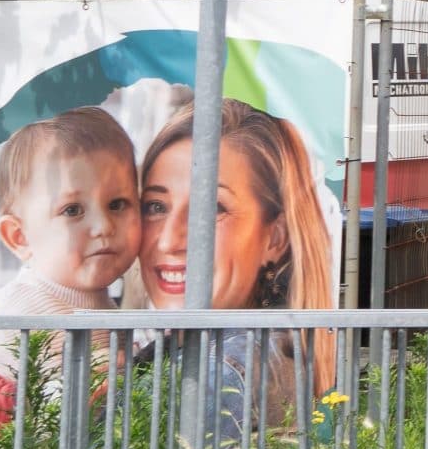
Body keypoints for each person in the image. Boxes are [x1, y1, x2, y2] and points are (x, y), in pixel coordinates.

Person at [139, 99, 338, 432]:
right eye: (156, 206)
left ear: (275, 237)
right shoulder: (229, 350)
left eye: (211, 208)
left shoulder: (225, 373)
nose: (167, 240)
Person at [0, 108, 141, 434]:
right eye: (72, 210)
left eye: (117, 204)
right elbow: (99, 381)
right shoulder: (29, 306)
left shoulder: (98, 302)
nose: (103, 226)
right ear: (19, 237)